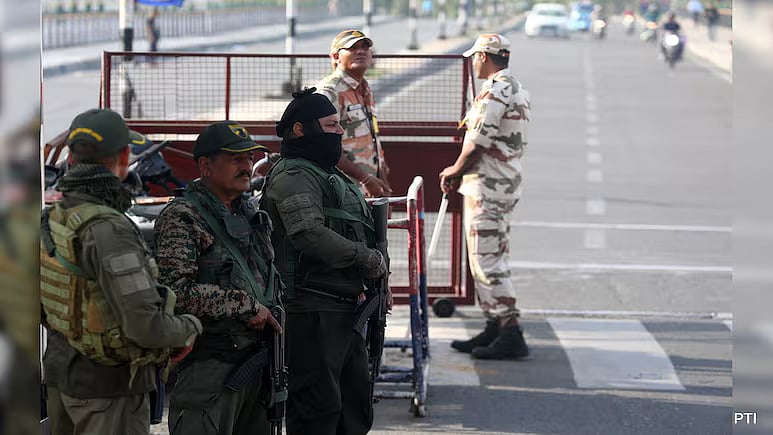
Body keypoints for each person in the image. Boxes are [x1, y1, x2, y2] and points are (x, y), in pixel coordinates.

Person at [40, 108, 202, 435]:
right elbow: (144, 325)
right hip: (108, 390)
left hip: (61, 376)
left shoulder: (52, 216)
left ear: (71, 157)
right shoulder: (109, 230)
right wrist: (189, 327)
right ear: (125, 157)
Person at [261, 88, 389, 435]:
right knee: (318, 411)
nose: (339, 132)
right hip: (310, 308)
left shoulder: (331, 176)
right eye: (331, 125)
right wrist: (367, 259)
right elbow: (309, 234)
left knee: (354, 410)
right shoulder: (293, 175)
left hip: (344, 309)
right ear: (300, 130)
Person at [153, 120, 283, 435]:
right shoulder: (183, 216)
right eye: (235, 158)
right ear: (206, 166)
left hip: (258, 364)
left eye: (250, 158)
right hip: (210, 367)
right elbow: (174, 292)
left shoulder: (251, 214)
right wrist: (243, 305)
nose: (246, 166)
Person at [440, 34, 530, 360]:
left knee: (488, 262)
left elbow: (477, 143)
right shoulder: (513, 85)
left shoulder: (496, 90)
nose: (473, 63)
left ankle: (510, 330)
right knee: (489, 257)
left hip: (489, 188)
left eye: (475, 57)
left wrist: (454, 170)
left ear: (483, 57)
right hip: (499, 186)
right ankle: (494, 324)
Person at [316, 29, 392, 198]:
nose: (361, 51)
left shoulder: (364, 88)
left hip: (369, 187)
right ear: (336, 56)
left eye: (365, 47)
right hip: (345, 191)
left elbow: (371, 135)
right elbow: (324, 147)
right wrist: (365, 179)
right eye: (352, 48)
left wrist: (381, 173)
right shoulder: (331, 92)